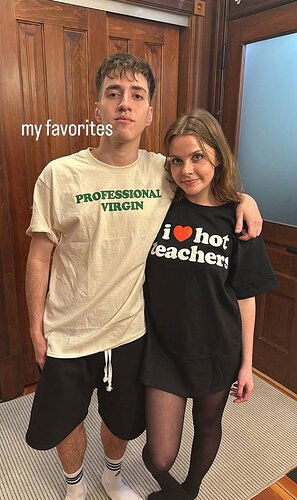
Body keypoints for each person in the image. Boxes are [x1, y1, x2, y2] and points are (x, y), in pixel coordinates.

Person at [25, 53, 262, 500]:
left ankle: (111, 476)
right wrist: (35, 328)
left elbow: (206, 179)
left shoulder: (165, 170)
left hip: (131, 331)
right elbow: (39, 256)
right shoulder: (60, 174)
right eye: (113, 94)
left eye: (136, 95)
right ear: (97, 108)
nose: (124, 105)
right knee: (67, 418)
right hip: (68, 331)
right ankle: (74, 487)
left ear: (150, 112)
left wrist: (244, 198)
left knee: (122, 420)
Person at [141, 108, 279, 499]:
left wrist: (247, 364)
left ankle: (190, 490)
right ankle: (173, 483)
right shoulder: (162, 206)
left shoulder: (238, 222)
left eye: (197, 157)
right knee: (158, 456)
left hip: (217, 347)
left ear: (217, 156)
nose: (186, 170)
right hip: (163, 348)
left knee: (207, 424)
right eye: (177, 160)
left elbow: (246, 298)